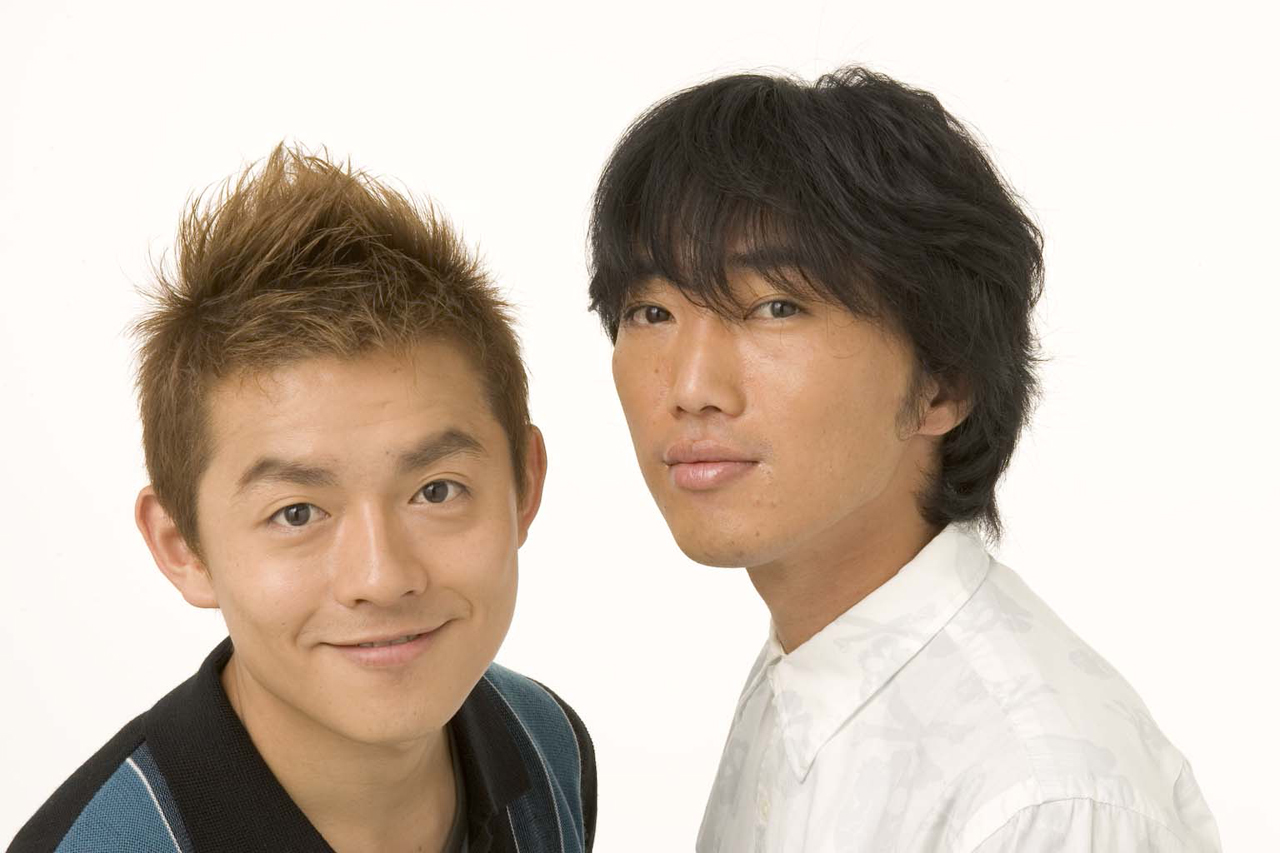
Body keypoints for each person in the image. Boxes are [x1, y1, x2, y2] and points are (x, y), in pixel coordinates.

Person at [587, 67, 1219, 851]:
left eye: (775, 306)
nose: (690, 388)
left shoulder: (1038, 798)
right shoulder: (808, 666)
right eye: (651, 311)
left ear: (943, 384)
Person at [11, 145, 595, 853]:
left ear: (523, 484)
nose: (381, 577)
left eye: (435, 491)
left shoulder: (545, 744)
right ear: (182, 546)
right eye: (296, 513)